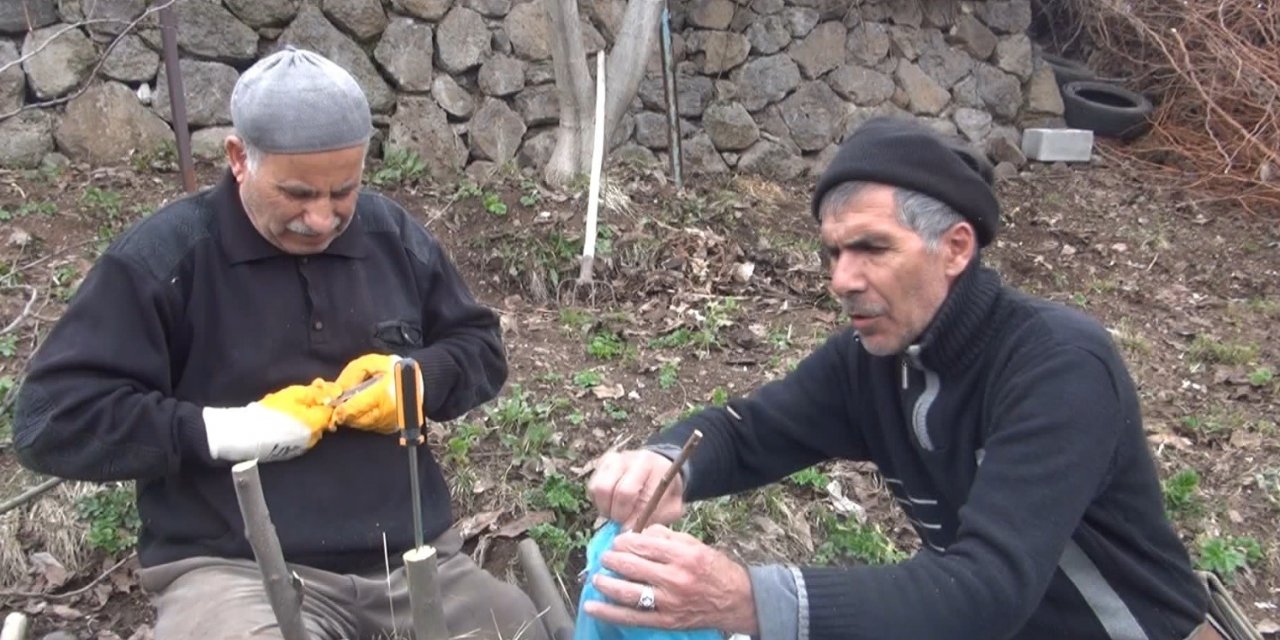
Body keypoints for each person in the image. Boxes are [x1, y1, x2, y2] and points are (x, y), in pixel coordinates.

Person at [584, 117, 1214, 640]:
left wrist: (747, 599)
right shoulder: (875, 363)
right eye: (833, 252)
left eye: (872, 249)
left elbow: (985, 589)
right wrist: (665, 462)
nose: (842, 279)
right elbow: (749, 433)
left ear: (956, 248)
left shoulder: (1057, 366)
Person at [13, 47, 547, 640]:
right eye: (296, 194)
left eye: (342, 191)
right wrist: (223, 431)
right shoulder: (167, 259)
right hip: (230, 570)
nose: (321, 219)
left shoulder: (391, 236)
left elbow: (480, 346)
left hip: (412, 557)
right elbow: (49, 421)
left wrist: (420, 380)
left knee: (524, 629)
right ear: (239, 159)